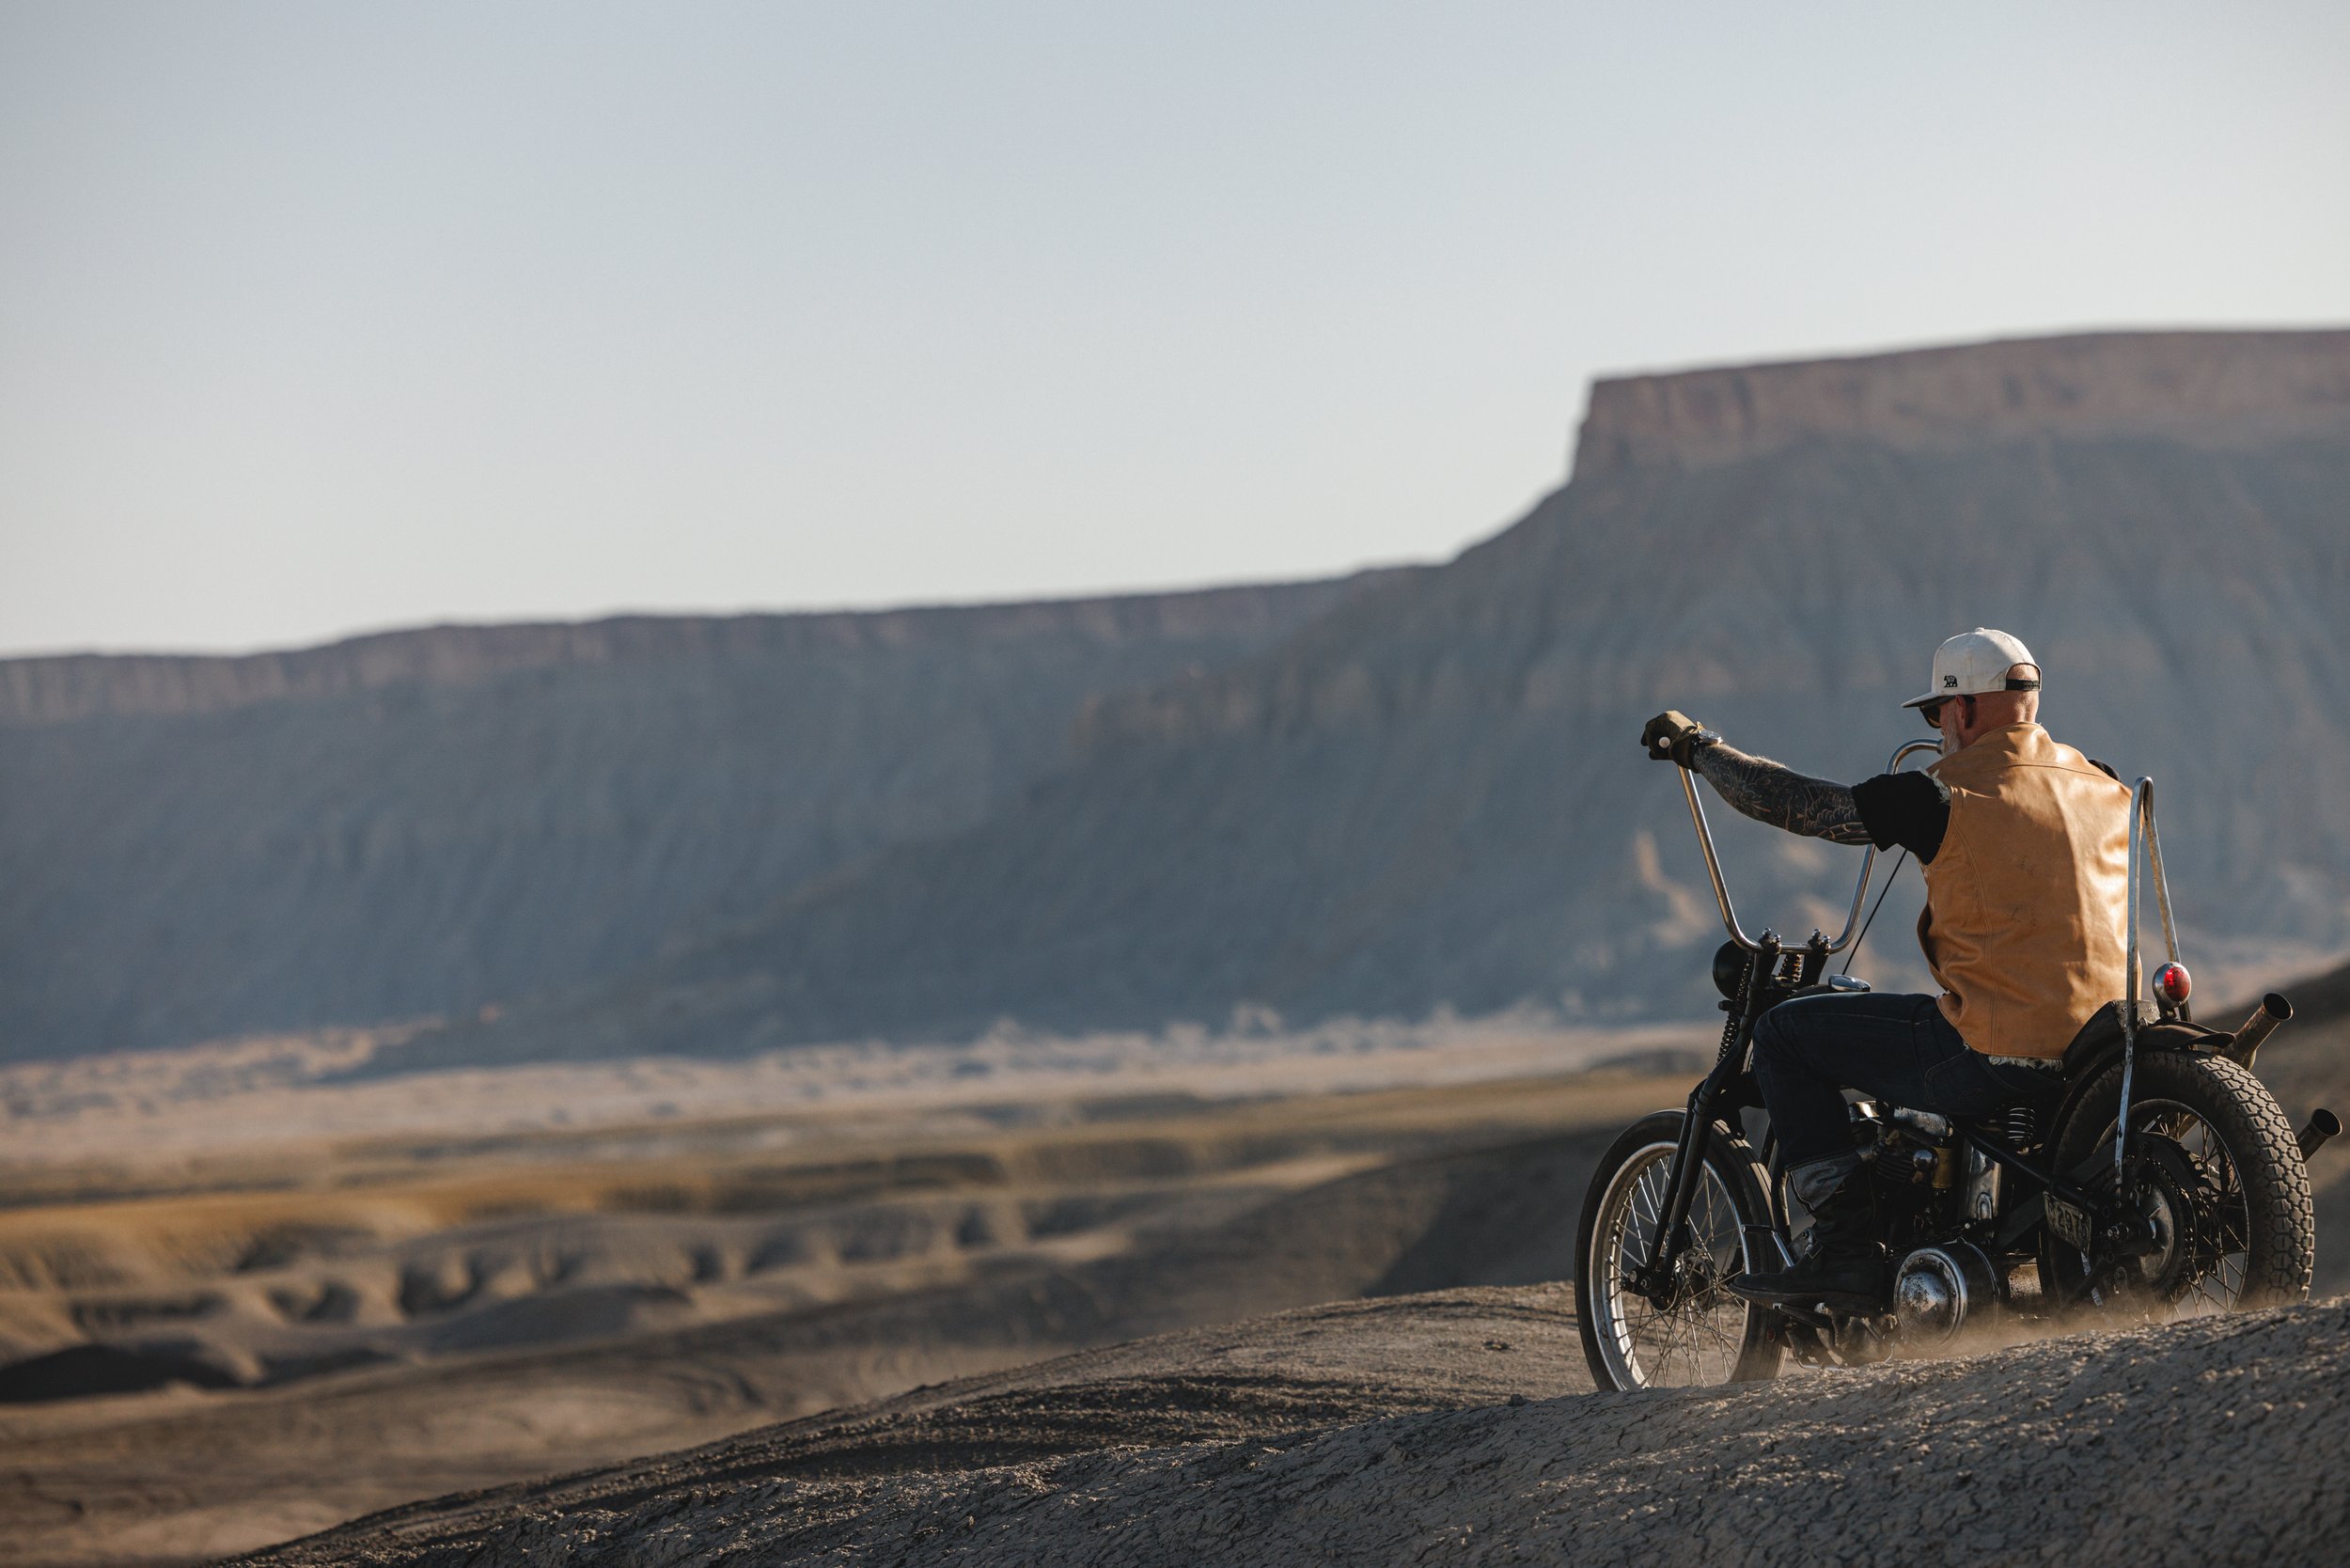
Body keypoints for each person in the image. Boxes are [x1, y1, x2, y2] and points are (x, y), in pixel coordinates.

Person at [1639, 628, 2132, 1311]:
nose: (1938, 730)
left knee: (1785, 1034)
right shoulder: (2103, 784)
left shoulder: (1941, 793)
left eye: (1937, 714)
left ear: (1961, 711)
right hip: (2103, 1044)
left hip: (1992, 1046)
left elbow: (1795, 804)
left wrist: (1703, 751)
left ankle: (1845, 1247)